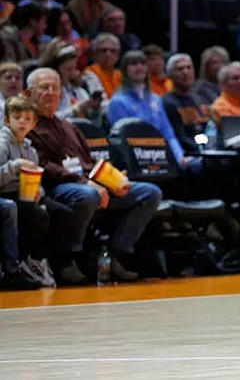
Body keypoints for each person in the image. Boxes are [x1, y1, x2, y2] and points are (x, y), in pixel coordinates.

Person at [26, 68, 163, 283]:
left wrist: (113, 179)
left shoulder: (68, 126)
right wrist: (86, 183)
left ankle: (113, 254)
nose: (51, 93)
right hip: (53, 187)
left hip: (87, 183)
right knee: (87, 195)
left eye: (55, 88)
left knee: (149, 193)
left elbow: (88, 162)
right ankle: (67, 260)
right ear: (28, 93)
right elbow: (43, 166)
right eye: (44, 88)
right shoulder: (28, 127)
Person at [107, 50, 197, 173]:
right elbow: (122, 141)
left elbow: (168, 134)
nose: (139, 67)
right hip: (138, 160)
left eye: (142, 63)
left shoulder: (155, 99)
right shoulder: (118, 102)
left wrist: (179, 156)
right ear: (124, 69)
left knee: (195, 166)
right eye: (133, 64)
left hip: (161, 155)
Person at [0, 96, 47, 290]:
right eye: (17, 117)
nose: (22, 122)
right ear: (6, 120)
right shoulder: (2, 144)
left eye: (27, 118)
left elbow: (37, 179)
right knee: (11, 208)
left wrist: (38, 191)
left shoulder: (30, 149)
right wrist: (14, 167)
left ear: (34, 124)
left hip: (16, 194)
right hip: (4, 194)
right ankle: (11, 270)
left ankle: (29, 261)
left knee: (43, 213)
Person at [162, 53, 211, 155]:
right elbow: (180, 138)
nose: (185, 72)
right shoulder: (168, 103)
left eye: (189, 68)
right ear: (170, 75)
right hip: (187, 154)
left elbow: (210, 128)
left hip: (207, 149)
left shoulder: (201, 99)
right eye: (180, 69)